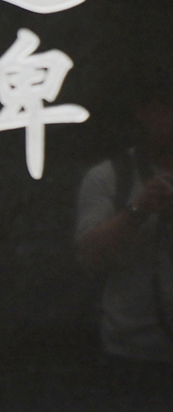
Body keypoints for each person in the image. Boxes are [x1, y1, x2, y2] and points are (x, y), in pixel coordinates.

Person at [76, 96, 173, 404]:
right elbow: (90, 258)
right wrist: (138, 210)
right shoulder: (110, 176)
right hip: (132, 356)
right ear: (142, 114)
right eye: (165, 107)